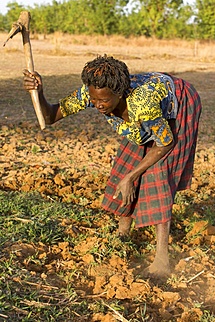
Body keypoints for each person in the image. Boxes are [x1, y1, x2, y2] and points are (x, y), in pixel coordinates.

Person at [23, 54, 201, 279]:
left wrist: (132, 177)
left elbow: (165, 143)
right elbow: (50, 116)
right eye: (94, 99)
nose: (98, 105)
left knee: (157, 174)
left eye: (104, 101)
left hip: (180, 100)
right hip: (145, 112)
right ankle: (123, 234)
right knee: (127, 162)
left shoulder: (142, 104)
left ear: (120, 93)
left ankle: (162, 259)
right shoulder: (93, 92)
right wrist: (38, 92)